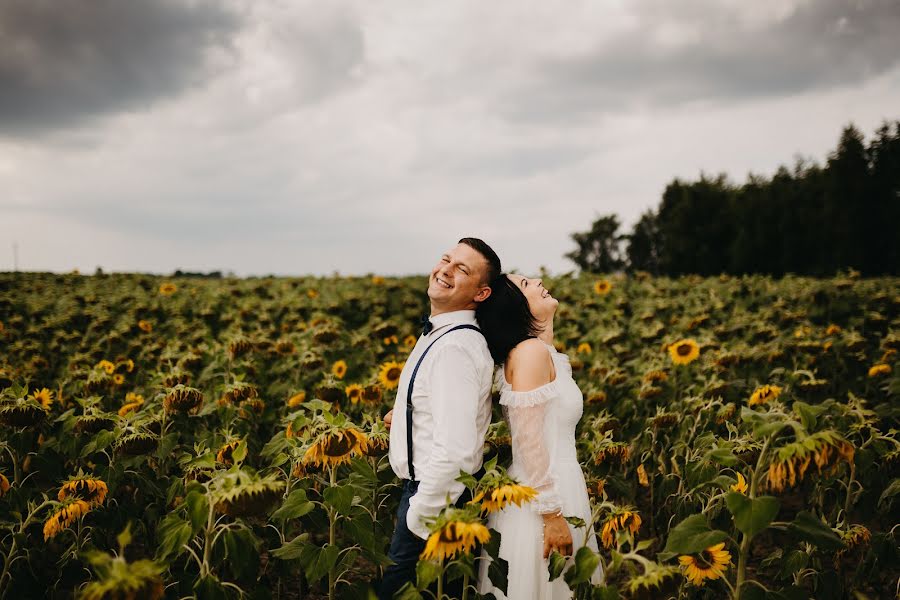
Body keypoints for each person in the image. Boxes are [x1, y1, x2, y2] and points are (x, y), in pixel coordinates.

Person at [377, 237, 501, 600]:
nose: (445, 269)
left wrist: (420, 516)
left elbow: (456, 449)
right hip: (433, 492)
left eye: (461, 269)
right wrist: (404, 418)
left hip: (436, 499)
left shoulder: (454, 348)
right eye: (446, 260)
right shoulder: (443, 333)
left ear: (480, 293)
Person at [475, 273, 604, 599]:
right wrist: (551, 514)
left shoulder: (543, 352)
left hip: (557, 486)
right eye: (526, 283)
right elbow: (528, 438)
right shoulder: (530, 352)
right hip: (541, 498)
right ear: (516, 308)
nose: (538, 279)